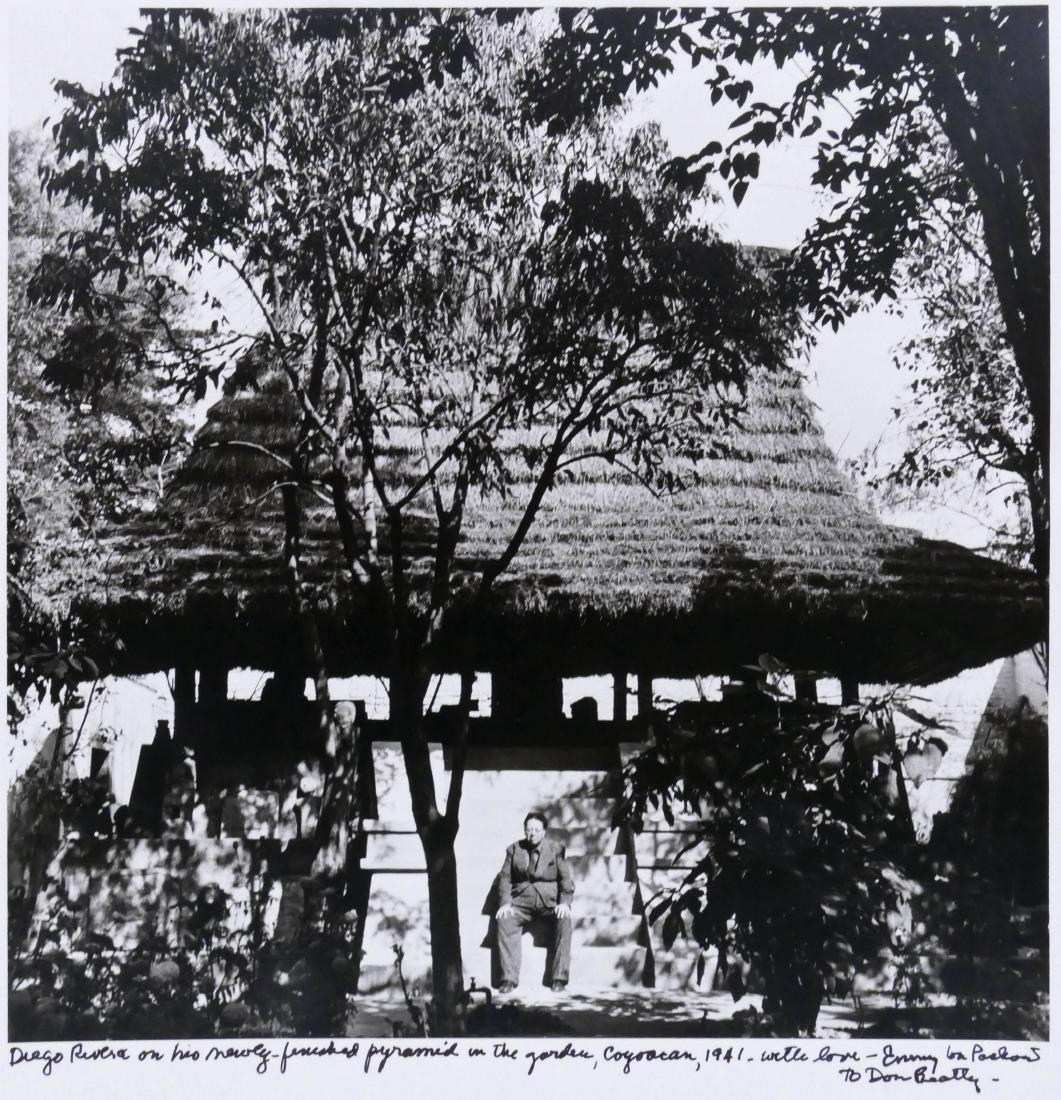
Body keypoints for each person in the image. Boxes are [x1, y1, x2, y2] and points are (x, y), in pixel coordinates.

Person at [496, 811, 573, 993]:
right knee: (504, 920)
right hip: (521, 903)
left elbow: (566, 879)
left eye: (536, 830)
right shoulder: (514, 849)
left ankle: (559, 978)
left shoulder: (556, 850)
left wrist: (565, 902)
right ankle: (508, 978)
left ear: (544, 832)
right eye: (528, 829)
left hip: (549, 904)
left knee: (565, 920)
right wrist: (505, 903)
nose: (532, 834)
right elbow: (505, 878)